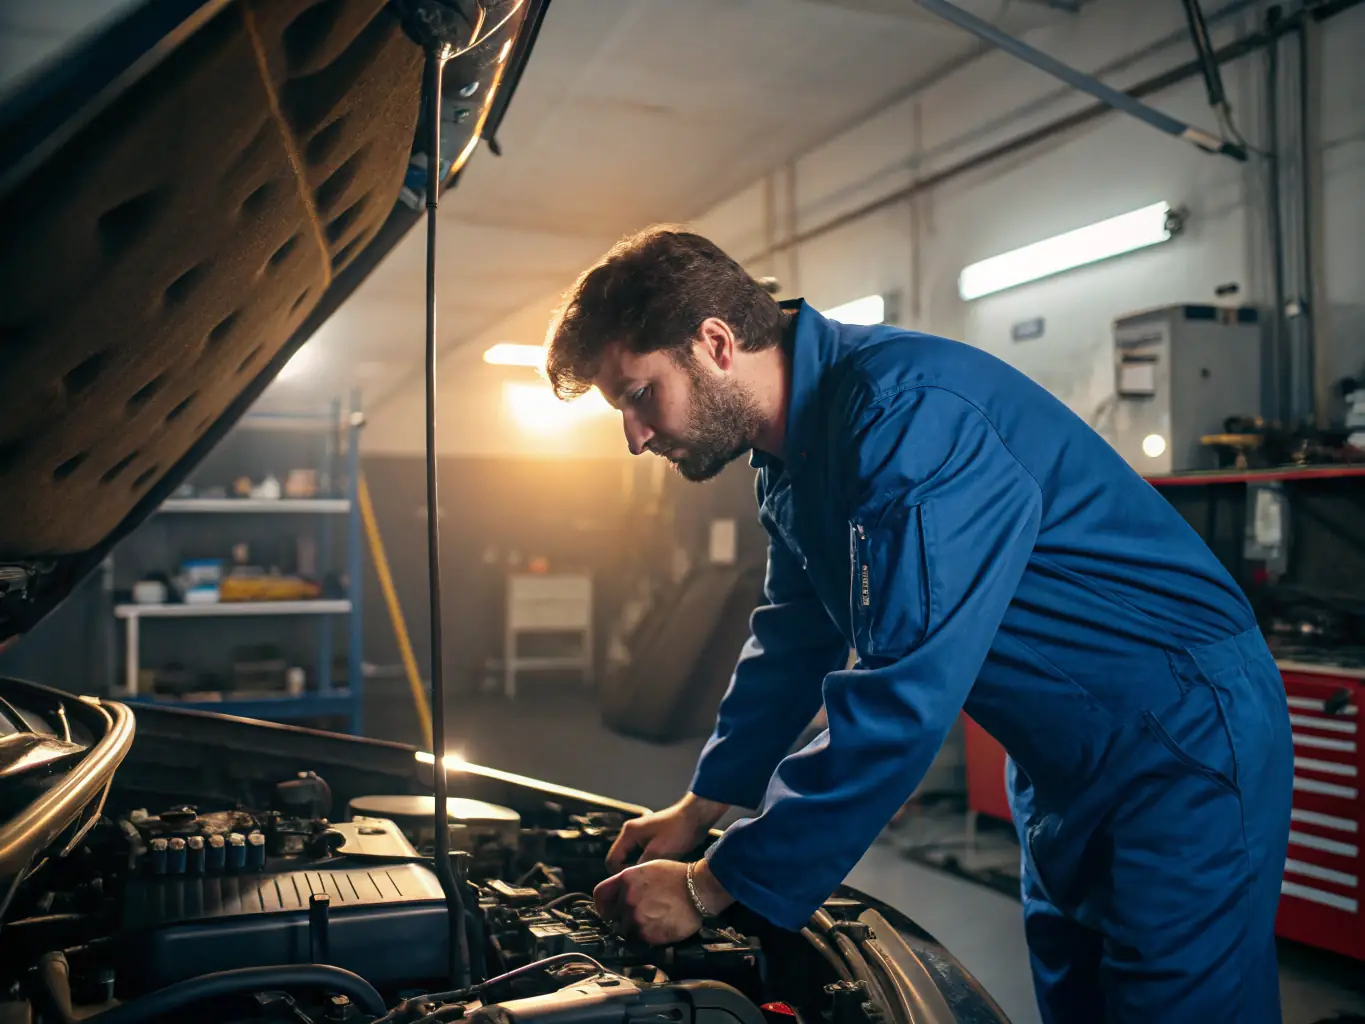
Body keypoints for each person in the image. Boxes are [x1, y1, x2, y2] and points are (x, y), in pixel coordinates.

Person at [542, 225, 1292, 1023]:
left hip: (1181, 736)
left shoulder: (906, 415)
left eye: (636, 394)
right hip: (1062, 756)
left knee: (1172, 1005)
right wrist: (700, 808)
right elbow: (792, 641)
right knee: (1080, 999)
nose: (633, 436)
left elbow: (903, 692)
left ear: (715, 343)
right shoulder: (792, 457)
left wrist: (711, 883)